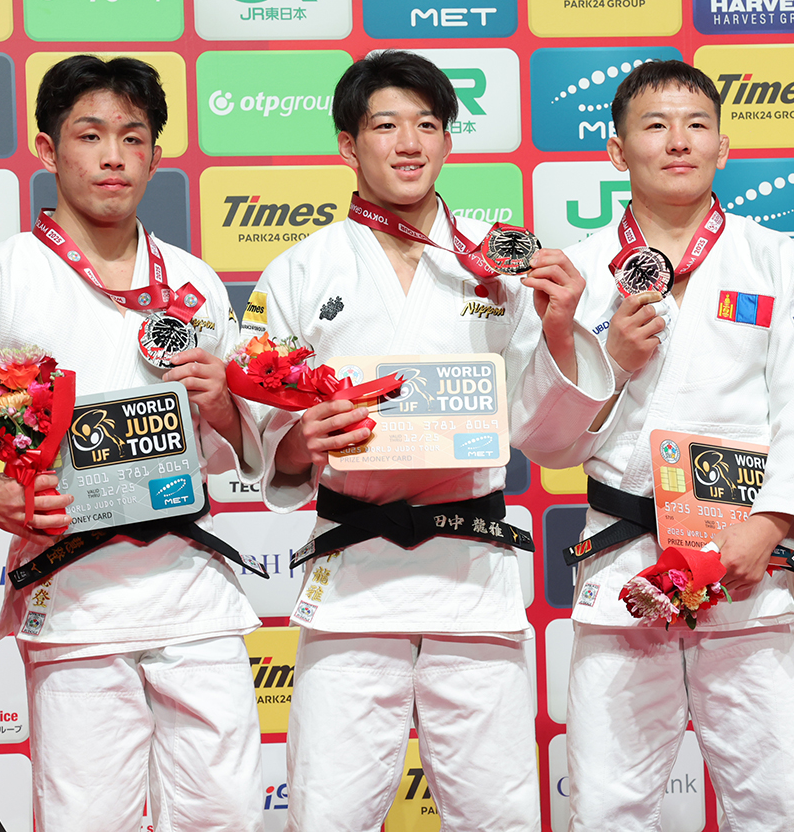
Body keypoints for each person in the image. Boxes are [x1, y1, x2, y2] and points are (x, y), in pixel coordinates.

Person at [0, 55, 265, 832]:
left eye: (134, 136)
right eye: (90, 135)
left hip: (192, 592)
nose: (114, 155)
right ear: (47, 149)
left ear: (158, 154)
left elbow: (245, 446)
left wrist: (226, 407)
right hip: (75, 596)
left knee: (225, 813)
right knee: (88, 818)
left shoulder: (192, 283)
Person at [248, 49, 614, 831]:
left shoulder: (501, 262)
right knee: (327, 812)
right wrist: (299, 439)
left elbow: (546, 436)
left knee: (500, 813)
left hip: (471, 569)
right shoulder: (299, 271)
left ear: (449, 140)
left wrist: (556, 326)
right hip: (350, 575)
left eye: (427, 124)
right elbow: (268, 447)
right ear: (348, 144)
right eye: (386, 125)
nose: (409, 142)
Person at [519, 59, 794, 831]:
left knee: (779, 803)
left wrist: (772, 526)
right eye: (655, 126)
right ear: (617, 152)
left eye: (696, 124)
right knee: (608, 804)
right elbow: (542, 440)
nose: (679, 141)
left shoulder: (778, 260)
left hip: (744, 563)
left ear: (724, 144)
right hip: (623, 560)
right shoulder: (577, 270)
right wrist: (610, 362)